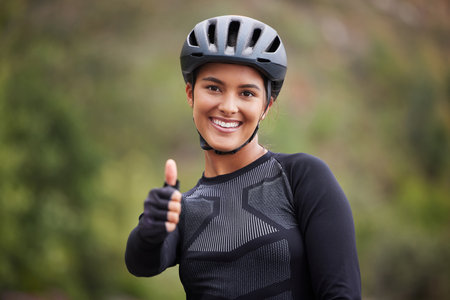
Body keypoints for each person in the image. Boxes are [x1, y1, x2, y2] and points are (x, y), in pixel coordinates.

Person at [125, 15, 361, 299]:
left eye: (247, 93)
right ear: (190, 93)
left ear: (266, 105)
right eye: (213, 88)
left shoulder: (302, 178)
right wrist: (151, 230)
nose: (228, 106)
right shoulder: (184, 210)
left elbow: (341, 294)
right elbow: (141, 263)